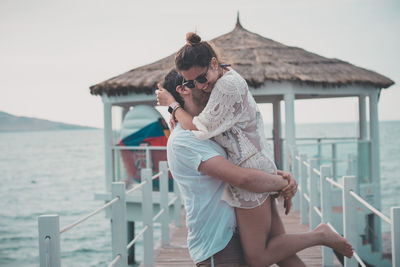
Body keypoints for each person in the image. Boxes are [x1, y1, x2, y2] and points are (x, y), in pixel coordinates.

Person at [157, 32, 353, 267]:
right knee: (279, 248)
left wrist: (173, 107)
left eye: (199, 78)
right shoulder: (218, 86)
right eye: (193, 82)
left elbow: (200, 127)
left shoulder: (225, 88)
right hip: (253, 171)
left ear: (213, 63)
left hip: (250, 173)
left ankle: (320, 235)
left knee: (258, 257)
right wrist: (275, 176)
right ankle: (320, 235)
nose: (201, 85)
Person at [162, 70, 299, 266]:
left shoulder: (210, 128)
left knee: (287, 258)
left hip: (240, 229)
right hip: (219, 245)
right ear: (184, 89)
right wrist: (282, 183)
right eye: (201, 82)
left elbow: (237, 162)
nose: (208, 87)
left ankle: (322, 236)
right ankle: (321, 236)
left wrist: (278, 175)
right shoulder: (184, 140)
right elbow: (242, 178)